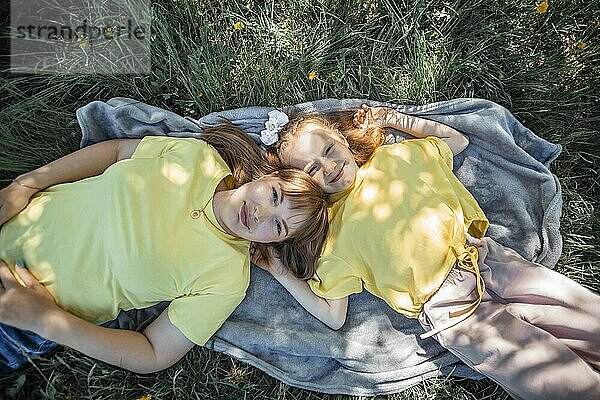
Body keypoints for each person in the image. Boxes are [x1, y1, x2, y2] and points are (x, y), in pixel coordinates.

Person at [257, 105, 600, 399]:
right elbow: (334, 316)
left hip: (486, 258)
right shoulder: (331, 234)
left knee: (587, 319)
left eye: (329, 151)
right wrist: (279, 272)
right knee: (561, 382)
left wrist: (393, 119)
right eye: (311, 169)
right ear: (299, 183)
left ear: (343, 140)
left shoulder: (395, 157)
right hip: (453, 311)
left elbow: (456, 140)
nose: (328, 166)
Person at [0, 123, 329, 374]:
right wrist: (27, 183)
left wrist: (47, 321)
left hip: (18, 308)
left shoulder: (226, 279)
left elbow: (153, 352)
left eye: (278, 226)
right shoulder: (198, 158)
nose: (260, 214)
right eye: (274, 196)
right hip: (13, 220)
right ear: (265, 178)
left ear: (276, 243)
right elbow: (115, 152)